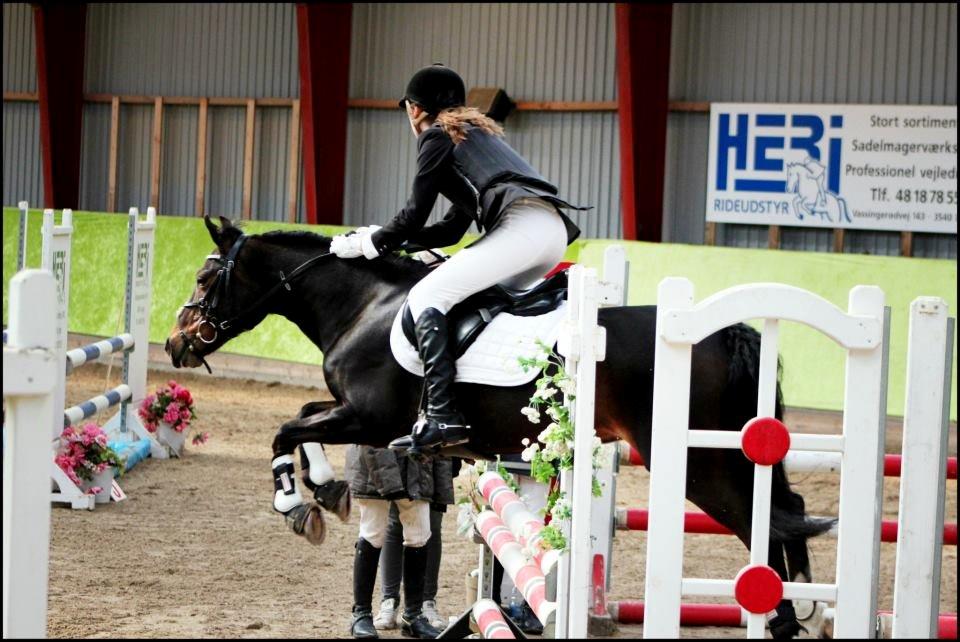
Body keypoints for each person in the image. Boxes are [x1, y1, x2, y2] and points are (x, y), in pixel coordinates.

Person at [330, 63, 585, 454]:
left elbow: (415, 213)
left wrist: (371, 243)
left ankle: (442, 416)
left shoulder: (434, 137)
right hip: (546, 232)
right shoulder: (474, 136)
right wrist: (397, 244)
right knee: (464, 297)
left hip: (521, 229)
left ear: (414, 108)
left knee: (427, 298)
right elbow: (450, 229)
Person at [346, 445, 452, 639]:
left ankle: (413, 616)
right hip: (374, 461)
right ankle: (361, 614)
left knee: (420, 535)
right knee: (373, 533)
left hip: (416, 465)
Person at [373, 457, 459, 631]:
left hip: (436, 450)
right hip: (398, 451)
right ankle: (389, 600)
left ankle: (426, 602)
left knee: (432, 525)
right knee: (394, 523)